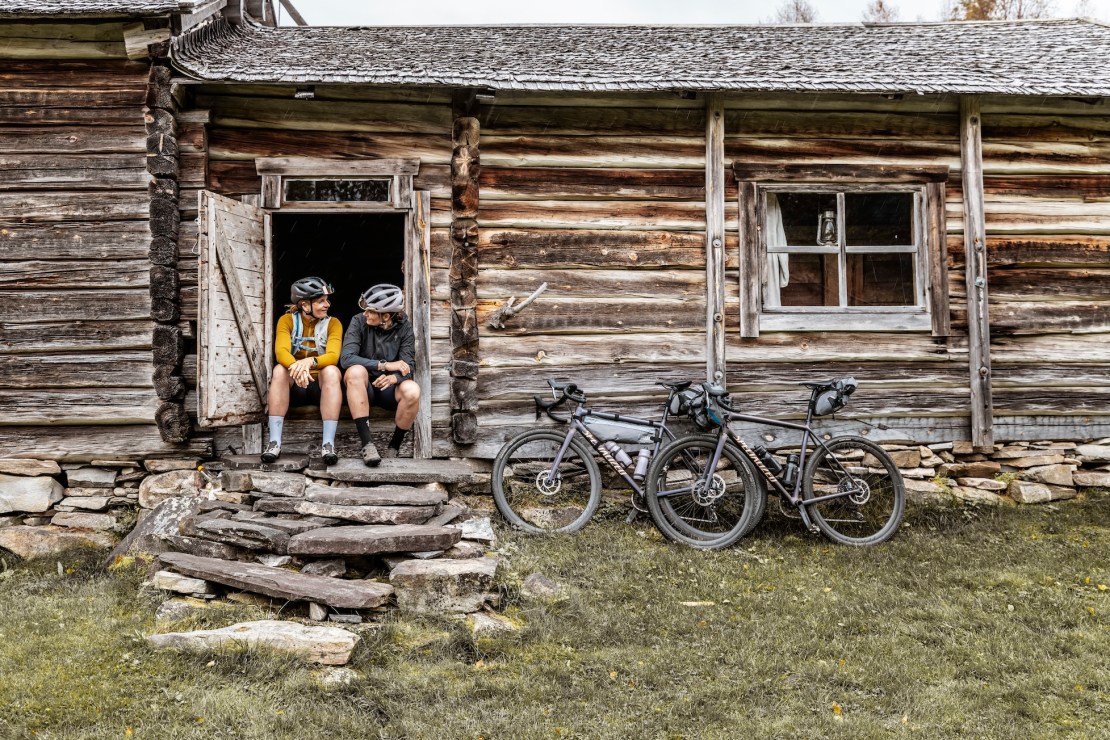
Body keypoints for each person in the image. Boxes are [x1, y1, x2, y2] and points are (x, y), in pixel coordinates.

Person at [261, 276, 343, 466]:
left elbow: (333, 356)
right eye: (321, 301)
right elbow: (281, 352)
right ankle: (274, 442)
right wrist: (298, 369)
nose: (327, 305)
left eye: (327, 300)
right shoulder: (287, 320)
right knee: (279, 370)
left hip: (319, 387)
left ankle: (328, 444)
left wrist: (308, 362)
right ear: (305, 305)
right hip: (294, 385)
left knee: (332, 371)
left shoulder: (333, 323)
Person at [341, 283, 421, 467]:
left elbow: (408, 365)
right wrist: (384, 365)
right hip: (362, 388)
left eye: (370, 311)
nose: (365, 314)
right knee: (354, 371)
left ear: (385, 316)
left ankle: (394, 447)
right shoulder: (358, 321)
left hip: (388, 389)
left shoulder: (404, 327)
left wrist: (394, 378)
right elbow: (346, 358)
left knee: (413, 391)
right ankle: (367, 444)